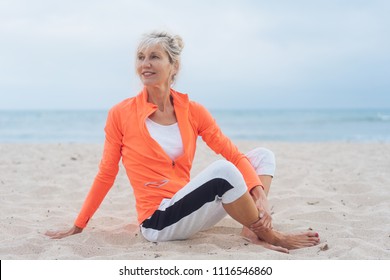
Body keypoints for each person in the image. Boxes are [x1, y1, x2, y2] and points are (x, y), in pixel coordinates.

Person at [46, 31, 320, 253]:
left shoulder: (193, 111)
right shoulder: (121, 114)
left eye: (154, 57)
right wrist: (79, 225)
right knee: (223, 172)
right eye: (140, 57)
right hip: (158, 222)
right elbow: (106, 173)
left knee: (261, 156)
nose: (145, 64)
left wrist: (258, 193)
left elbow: (235, 155)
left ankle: (251, 228)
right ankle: (268, 234)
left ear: (174, 66)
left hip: (188, 206)